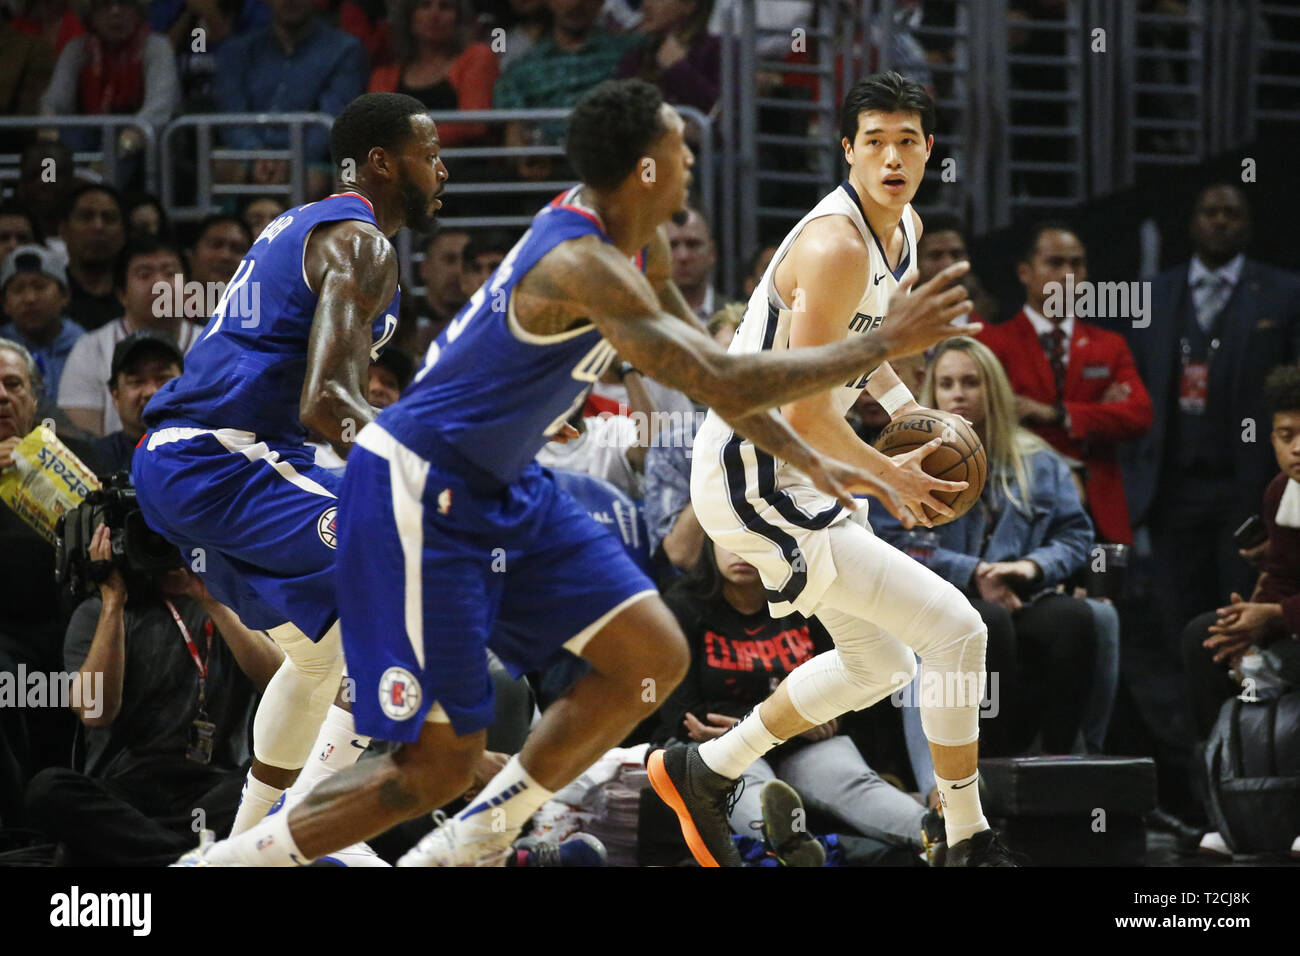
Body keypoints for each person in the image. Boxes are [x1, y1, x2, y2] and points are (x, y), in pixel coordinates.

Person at [180, 78, 975, 867]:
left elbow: (723, 378)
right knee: (433, 765)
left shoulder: (646, 243)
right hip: (417, 486)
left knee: (653, 657)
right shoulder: (581, 264)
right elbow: (725, 380)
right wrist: (874, 348)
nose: (693, 159)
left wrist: (814, 461)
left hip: (505, 484)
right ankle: (228, 865)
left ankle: (483, 834)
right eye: (680, 146)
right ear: (646, 170)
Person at [656, 71, 1017, 868]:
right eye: (876, 141)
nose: (893, 157)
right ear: (847, 150)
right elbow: (808, 412)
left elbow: (863, 365)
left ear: (929, 151)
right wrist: (894, 478)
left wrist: (906, 415)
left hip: (793, 469)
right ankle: (966, 836)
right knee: (958, 629)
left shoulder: (906, 230)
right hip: (754, 470)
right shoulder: (833, 247)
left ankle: (708, 768)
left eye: (909, 141)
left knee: (880, 661)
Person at [131, 93, 438, 860]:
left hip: (205, 463)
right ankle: (295, 845)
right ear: (381, 162)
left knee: (319, 655)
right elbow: (327, 405)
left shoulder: (311, 228)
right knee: (413, 567)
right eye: (429, 153)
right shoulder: (360, 243)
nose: (442, 170)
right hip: (222, 457)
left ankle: (241, 844)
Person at [873, 337, 1104, 756]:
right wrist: (972, 571)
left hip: (1021, 590)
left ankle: (1059, 765)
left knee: (1075, 618)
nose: (958, 392)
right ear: (932, 392)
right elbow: (889, 543)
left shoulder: (1039, 459)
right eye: (946, 384)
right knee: (986, 620)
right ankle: (990, 770)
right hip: (943, 598)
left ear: (992, 388)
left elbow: (1076, 535)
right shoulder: (906, 460)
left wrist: (1032, 567)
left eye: (970, 382)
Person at [654, 538, 931, 857]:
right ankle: (792, 851)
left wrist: (772, 723)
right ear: (709, 544)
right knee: (746, 787)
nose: (739, 550)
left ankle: (951, 840)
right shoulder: (681, 606)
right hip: (733, 746)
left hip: (804, 745)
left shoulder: (806, 600)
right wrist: (790, 721)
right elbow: (687, 716)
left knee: (856, 784)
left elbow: (844, 685)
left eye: (752, 539)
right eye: (727, 538)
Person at [23, 528, 282, 865]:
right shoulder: (98, 613)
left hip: (215, 789)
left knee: (286, 781)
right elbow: (95, 712)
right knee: (47, 790)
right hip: (127, 790)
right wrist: (113, 601)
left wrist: (214, 602)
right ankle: (192, 858)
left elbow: (281, 686)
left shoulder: (237, 605)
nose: (165, 548)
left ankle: (152, 853)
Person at [1124, 184, 1300, 651]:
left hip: (1249, 487)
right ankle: (1190, 721)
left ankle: (1235, 718)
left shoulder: (1284, 293)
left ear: (1249, 225)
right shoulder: (1155, 294)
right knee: (1178, 619)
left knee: (1241, 616)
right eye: (1210, 212)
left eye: (1232, 213)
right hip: (1172, 487)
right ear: (1192, 223)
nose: (1220, 221)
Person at [977, 223, 1152, 546]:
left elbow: (1138, 415)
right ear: (1025, 272)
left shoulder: (1109, 346)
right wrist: (1100, 412)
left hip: (1100, 514)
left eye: (1077, 263)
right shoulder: (992, 343)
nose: (1068, 273)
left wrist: (1054, 414)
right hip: (1018, 508)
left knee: (1102, 597)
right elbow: (985, 419)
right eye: (1055, 263)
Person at [212, 0, 368, 200]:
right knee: (221, 167)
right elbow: (231, 113)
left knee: (314, 180)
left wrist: (292, 160)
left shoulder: (346, 50)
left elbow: (332, 117)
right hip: (248, 155)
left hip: (309, 161)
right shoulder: (236, 51)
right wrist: (256, 154)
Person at [57, 235, 198, 436]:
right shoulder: (90, 349)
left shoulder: (215, 344)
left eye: (169, 273)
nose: (159, 283)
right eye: (144, 274)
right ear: (122, 294)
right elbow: (84, 446)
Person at [37, 0, 181, 167]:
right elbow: (55, 101)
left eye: (125, 4)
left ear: (138, 11)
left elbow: (158, 110)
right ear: (91, 15)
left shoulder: (157, 47)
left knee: (123, 158)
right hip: (93, 135)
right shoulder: (77, 49)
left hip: (142, 141)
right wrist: (49, 128)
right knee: (59, 148)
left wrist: (116, 153)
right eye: (104, 5)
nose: (115, 13)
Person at [367, 0, 500, 147]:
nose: (434, 15)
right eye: (424, 6)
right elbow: (375, 131)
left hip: (461, 162)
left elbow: (474, 125)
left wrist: (408, 143)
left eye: (445, 7)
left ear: (459, 18)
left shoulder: (477, 56)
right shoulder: (383, 76)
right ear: (409, 16)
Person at [90, 329, 182, 473]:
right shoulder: (92, 463)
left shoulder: (212, 451)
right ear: (115, 396)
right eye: (136, 381)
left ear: (187, 385)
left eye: (163, 378)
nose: (151, 391)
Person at [0, 244, 83, 403]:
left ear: (64, 295)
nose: (30, 298)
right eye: (18, 289)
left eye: (40, 287)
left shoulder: (86, 348)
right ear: (5, 304)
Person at [616, 0, 719, 114]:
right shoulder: (637, 55)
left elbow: (723, 112)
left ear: (690, 5)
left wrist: (678, 68)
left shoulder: (717, 50)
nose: (646, 5)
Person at [59, 182, 127, 332]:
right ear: (63, 230)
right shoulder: (52, 297)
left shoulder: (134, 297)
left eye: (109, 218)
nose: (98, 226)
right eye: (86, 217)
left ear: (124, 233)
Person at [665, 205, 717, 324]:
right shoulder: (643, 318)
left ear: (712, 253)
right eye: (672, 245)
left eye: (693, 244)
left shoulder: (743, 317)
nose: (683, 256)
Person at [186, 214, 251, 290]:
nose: (225, 256)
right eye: (216, 245)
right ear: (192, 255)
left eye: (238, 249)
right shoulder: (172, 300)